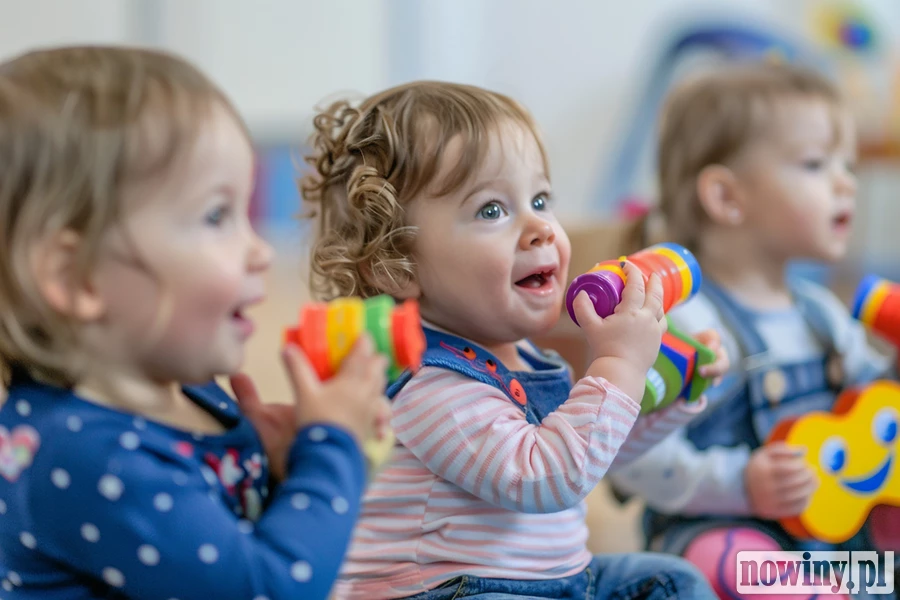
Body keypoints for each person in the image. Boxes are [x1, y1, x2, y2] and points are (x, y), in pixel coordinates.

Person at [301, 80, 727, 599]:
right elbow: (545, 477)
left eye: (540, 199)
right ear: (399, 267)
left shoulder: (527, 358)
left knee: (673, 582)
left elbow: (592, 454)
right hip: (453, 590)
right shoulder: (429, 384)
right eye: (492, 211)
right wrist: (618, 365)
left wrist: (670, 392)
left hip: (557, 581)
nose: (541, 228)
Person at [0, 45, 388, 600]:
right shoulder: (89, 458)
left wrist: (279, 473)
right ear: (78, 277)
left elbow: (213, 553)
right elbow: (269, 588)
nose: (260, 252)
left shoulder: (190, 394)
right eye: (216, 216)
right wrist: (334, 446)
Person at [608, 60, 900, 599]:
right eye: (816, 164)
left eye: (848, 166)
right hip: (730, 530)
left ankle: (851, 586)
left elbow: (874, 407)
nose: (847, 184)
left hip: (834, 539)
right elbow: (630, 463)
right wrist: (742, 483)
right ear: (727, 197)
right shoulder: (689, 324)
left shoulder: (821, 313)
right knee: (722, 558)